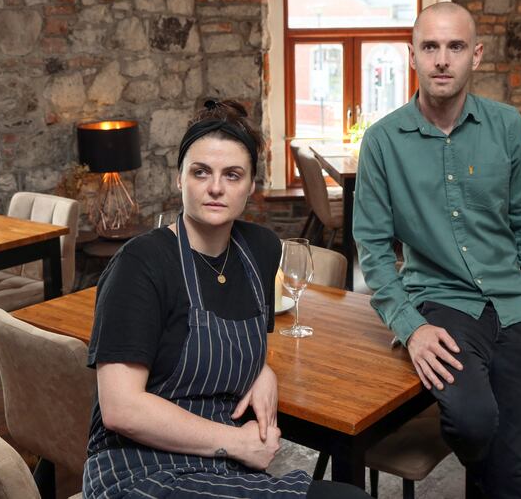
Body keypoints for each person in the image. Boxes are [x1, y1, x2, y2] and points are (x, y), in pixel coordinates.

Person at [84, 100, 370, 499]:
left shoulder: (261, 249)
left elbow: (245, 341)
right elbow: (121, 408)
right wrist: (237, 443)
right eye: (200, 172)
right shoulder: (140, 263)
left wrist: (262, 371)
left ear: (250, 186)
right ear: (178, 180)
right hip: (138, 470)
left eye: (232, 175)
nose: (216, 187)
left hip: (218, 467)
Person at [353, 2, 521, 498]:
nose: (443, 59)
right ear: (413, 56)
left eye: (456, 46)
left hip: (515, 307)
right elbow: (374, 248)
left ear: (476, 55)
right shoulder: (382, 141)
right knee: (474, 423)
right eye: (431, 47)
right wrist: (411, 326)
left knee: (514, 473)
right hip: (443, 306)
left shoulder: (507, 126)